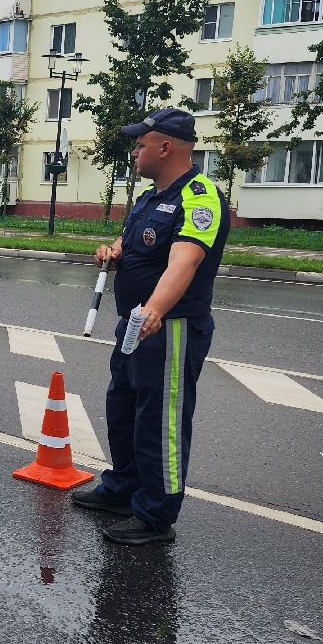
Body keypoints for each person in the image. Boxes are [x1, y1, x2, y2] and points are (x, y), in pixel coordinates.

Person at [72, 108, 229, 545]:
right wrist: (112, 252)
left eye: (141, 144)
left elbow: (186, 259)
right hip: (133, 323)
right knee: (122, 407)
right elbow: (132, 245)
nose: (135, 151)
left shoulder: (199, 196)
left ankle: (156, 515)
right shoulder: (147, 198)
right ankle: (123, 488)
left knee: (161, 419)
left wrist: (155, 309)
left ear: (166, 147)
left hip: (169, 326)